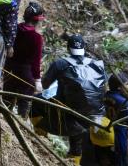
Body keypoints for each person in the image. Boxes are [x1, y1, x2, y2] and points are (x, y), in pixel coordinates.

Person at [42, 34, 108, 164]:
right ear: (84, 48)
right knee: (87, 143)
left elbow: (45, 84)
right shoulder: (97, 64)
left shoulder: (60, 64)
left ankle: (45, 140)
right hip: (97, 112)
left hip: (70, 112)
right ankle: (78, 157)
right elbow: (104, 88)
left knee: (41, 104)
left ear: (68, 48)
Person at [3, 1, 45, 116]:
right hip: (25, 74)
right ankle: (21, 122)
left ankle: (3, 118)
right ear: (38, 20)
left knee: (7, 96)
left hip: (9, 69)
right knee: (24, 101)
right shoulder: (37, 38)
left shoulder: (15, 28)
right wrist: (37, 80)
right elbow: (36, 62)